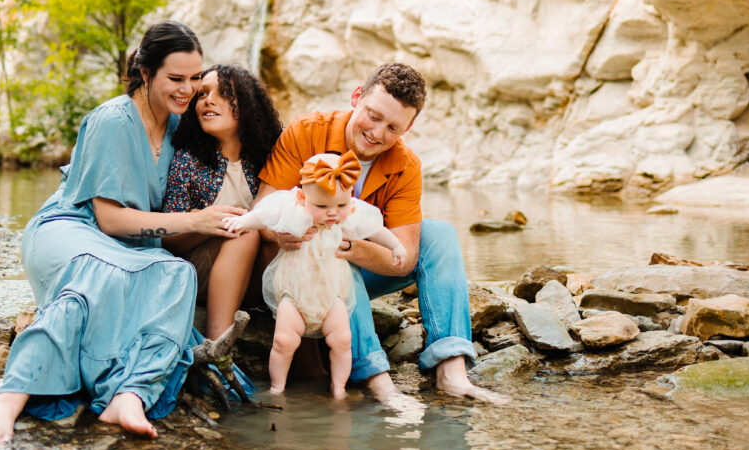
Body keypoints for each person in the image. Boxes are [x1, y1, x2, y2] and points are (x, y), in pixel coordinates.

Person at [0, 21, 249, 443]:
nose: (188, 90)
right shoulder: (111, 120)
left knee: (176, 274)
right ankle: (12, 395)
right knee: (93, 276)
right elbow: (110, 220)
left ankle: (131, 392)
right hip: (71, 227)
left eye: (195, 78)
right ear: (144, 72)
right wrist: (196, 219)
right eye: (175, 79)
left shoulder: (180, 127)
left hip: (132, 245)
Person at [255, 63, 510, 406]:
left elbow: (403, 257)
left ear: (410, 126)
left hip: (358, 260)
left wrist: (354, 246)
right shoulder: (306, 131)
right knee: (337, 256)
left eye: (393, 127)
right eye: (373, 116)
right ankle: (377, 379)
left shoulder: (407, 165)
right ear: (356, 97)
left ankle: (452, 369)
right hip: (299, 270)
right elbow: (263, 206)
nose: (377, 133)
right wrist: (283, 232)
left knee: (440, 234)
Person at [225, 151, 406, 399]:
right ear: (302, 198)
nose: (332, 213)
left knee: (342, 339)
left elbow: (376, 230)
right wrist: (244, 222)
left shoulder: (348, 216)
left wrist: (395, 245)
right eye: (322, 206)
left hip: (332, 294)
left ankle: (339, 388)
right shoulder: (294, 211)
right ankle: (277, 387)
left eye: (341, 205)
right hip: (294, 292)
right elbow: (265, 215)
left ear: (350, 199)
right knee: (284, 341)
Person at [161, 64, 282, 340]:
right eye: (201, 94)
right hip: (197, 271)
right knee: (244, 231)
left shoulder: (267, 157)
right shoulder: (188, 160)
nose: (208, 100)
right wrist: (204, 224)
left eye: (224, 92)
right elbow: (167, 240)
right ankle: (217, 344)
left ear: (249, 104)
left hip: (255, 275)